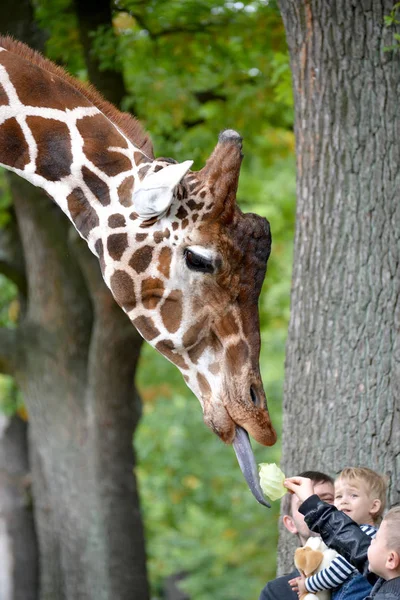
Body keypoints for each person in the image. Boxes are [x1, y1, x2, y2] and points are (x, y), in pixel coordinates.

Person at [284, 476, 400, 600]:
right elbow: (351, 543)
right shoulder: (386, 581)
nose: (370, 541)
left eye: (376, 540)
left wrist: (308, 584)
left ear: (391, 560)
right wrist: (311, 503)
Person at [258, 470, 335, 600]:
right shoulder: (276, 593)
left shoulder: (365, 571)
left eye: (326, 500)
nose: (317, 508)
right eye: (304, 504)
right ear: (291, 524)